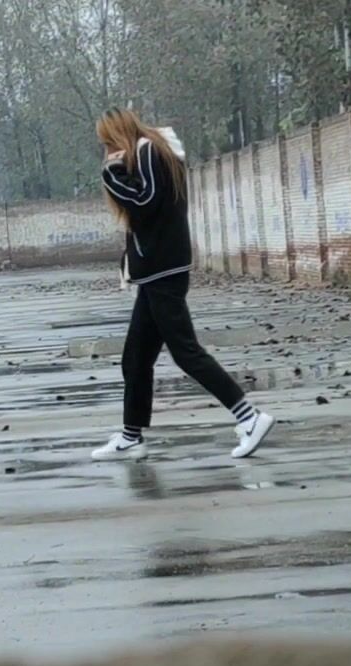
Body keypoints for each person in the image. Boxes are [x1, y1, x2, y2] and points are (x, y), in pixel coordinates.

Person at [91, 107, 275, 461]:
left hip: (163, 269)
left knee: (186, 352)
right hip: (156, 271)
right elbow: (149, 209)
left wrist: (112, 172)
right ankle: (131, 437)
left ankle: (249, 418)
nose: (106, 151)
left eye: (107, 142)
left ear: (117, 135)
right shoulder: (152, 151)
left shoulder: (147, 151)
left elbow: (145, 202)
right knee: (135, 358)